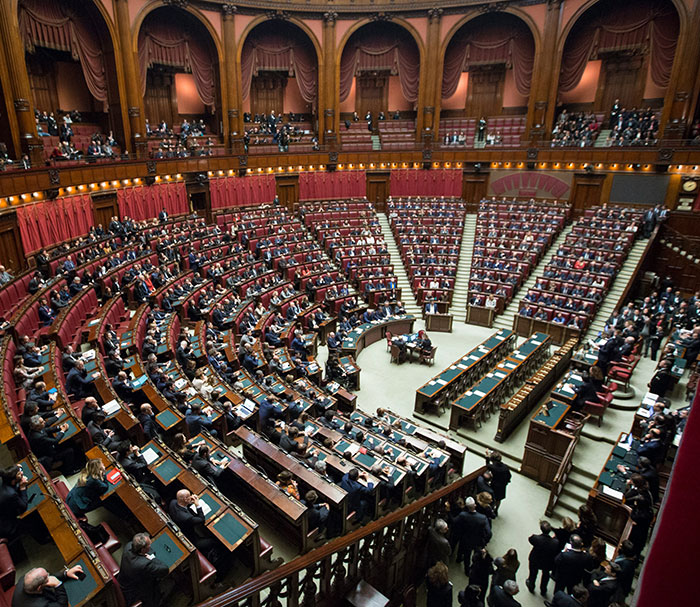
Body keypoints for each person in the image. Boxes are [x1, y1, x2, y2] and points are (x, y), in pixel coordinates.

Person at [118, 532, 173, 607]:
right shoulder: (143, 564)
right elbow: (165, 569)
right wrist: (152, 558)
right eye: (149, 545)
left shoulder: (129, 546)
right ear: (143, 549)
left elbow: (150, 551)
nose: (150, 546)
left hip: (124, 581)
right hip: (135, 590)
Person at [12, 564, 84, 607]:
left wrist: (66, 574)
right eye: (47, 577)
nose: (49, 575)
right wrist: (58, 585)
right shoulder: (40, 605)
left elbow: (46, 577)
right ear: (39, 588)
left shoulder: (25, 579)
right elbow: (62, 605)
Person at [526, 520, 560, 596]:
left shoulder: (536, 538)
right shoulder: (555, 542)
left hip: (535, 559)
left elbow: (530, 539)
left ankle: (531, 585)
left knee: (533, 573)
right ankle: (543, 589)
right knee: (545, 575)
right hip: (547, 561)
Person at [0, 465, 29, 541]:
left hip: (4, 512)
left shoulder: (5, 481)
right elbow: (23, 506)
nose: (22, 473)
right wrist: (22, 488)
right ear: (13, 480)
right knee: (31, 518)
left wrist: (15, 468)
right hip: (6, 526)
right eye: (19, 473)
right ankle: (42, 538)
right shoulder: (11, 494)